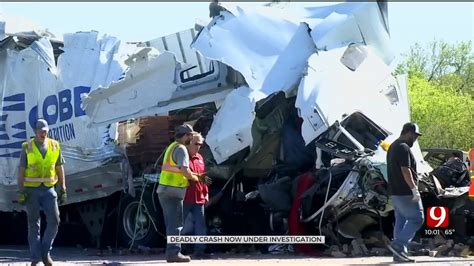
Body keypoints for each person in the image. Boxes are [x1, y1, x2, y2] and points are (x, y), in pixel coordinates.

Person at [17, 119, 67, 266]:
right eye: (40, 131)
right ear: (35, 132)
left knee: (55, 220)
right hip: (31, 190)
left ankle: (45, 252)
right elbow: (20, 171)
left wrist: (63, 188)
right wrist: (20, 191)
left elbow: (59, 167)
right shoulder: (27, 147)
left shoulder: (54, 145)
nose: (43, 133)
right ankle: (35, 258)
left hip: (48, 189)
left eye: (45, 131)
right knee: (34, 223)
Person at [157, 124, 201, 263]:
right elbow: (184, 170)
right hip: (173, 191)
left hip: (164, 190)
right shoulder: (181, 149)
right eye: (190, 136)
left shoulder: (172, 147)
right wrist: (196, 178)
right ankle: (174, 253)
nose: (192, 138)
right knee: (175, 224)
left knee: (171, 224)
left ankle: (172, 252)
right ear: (186, 136)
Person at [386, 122, 424, 263]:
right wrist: (414, 189)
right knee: (417, 218)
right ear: (408, 132)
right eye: (415, 135)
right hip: (405, 192)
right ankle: (398, 244)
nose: (415, 139)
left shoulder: (393, 146)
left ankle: (399, 254)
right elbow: (405, 170)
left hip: (395, 192)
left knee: (401, 220)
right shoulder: (403, 147)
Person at [183, 133, 212, 259]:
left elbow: (203, 177)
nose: (198, 146)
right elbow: (184, 173)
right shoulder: (183, 157)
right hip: (185, 196)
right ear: (189, 143)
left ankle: (200, 251)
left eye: (200, 144)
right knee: (179, 225)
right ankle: (175, 250)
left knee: (201, 225)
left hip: (198, 197)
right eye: (196, 144)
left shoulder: (200, 157)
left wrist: (206, 194)